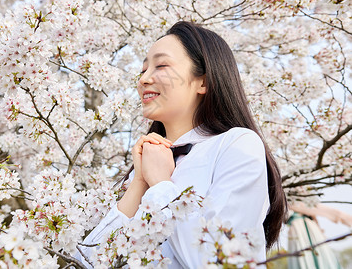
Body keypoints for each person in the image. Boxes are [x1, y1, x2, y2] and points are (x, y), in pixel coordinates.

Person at [78, 21, 287, 267]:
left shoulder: (237, 145)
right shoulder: (146, 166)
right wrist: (139, 182)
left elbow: (218, 261)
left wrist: (161, 185)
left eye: (161, 65)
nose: (144, 79)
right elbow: (87, 262)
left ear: (203, 82)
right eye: (143, 69)